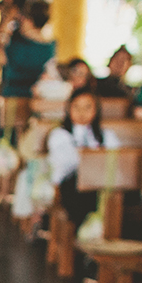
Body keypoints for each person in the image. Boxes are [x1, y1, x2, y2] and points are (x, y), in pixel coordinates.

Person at [46, 87, 118, 233]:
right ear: (68, 108)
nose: (82, 112)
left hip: (100, 184)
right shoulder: (59, 135)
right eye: (76, 107)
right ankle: (84, 234)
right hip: (71, 185)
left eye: (87, 107)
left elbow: (115, 160)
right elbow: (66, 163)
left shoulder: (105, 135)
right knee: (80, 185)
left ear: (96, 110)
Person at [0, 0, 55, 141]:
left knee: (8, 140)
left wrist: (4, 36)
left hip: (12, 99)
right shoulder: (51, 47)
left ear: (28, 20)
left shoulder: (17, 45)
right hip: (38, 101)